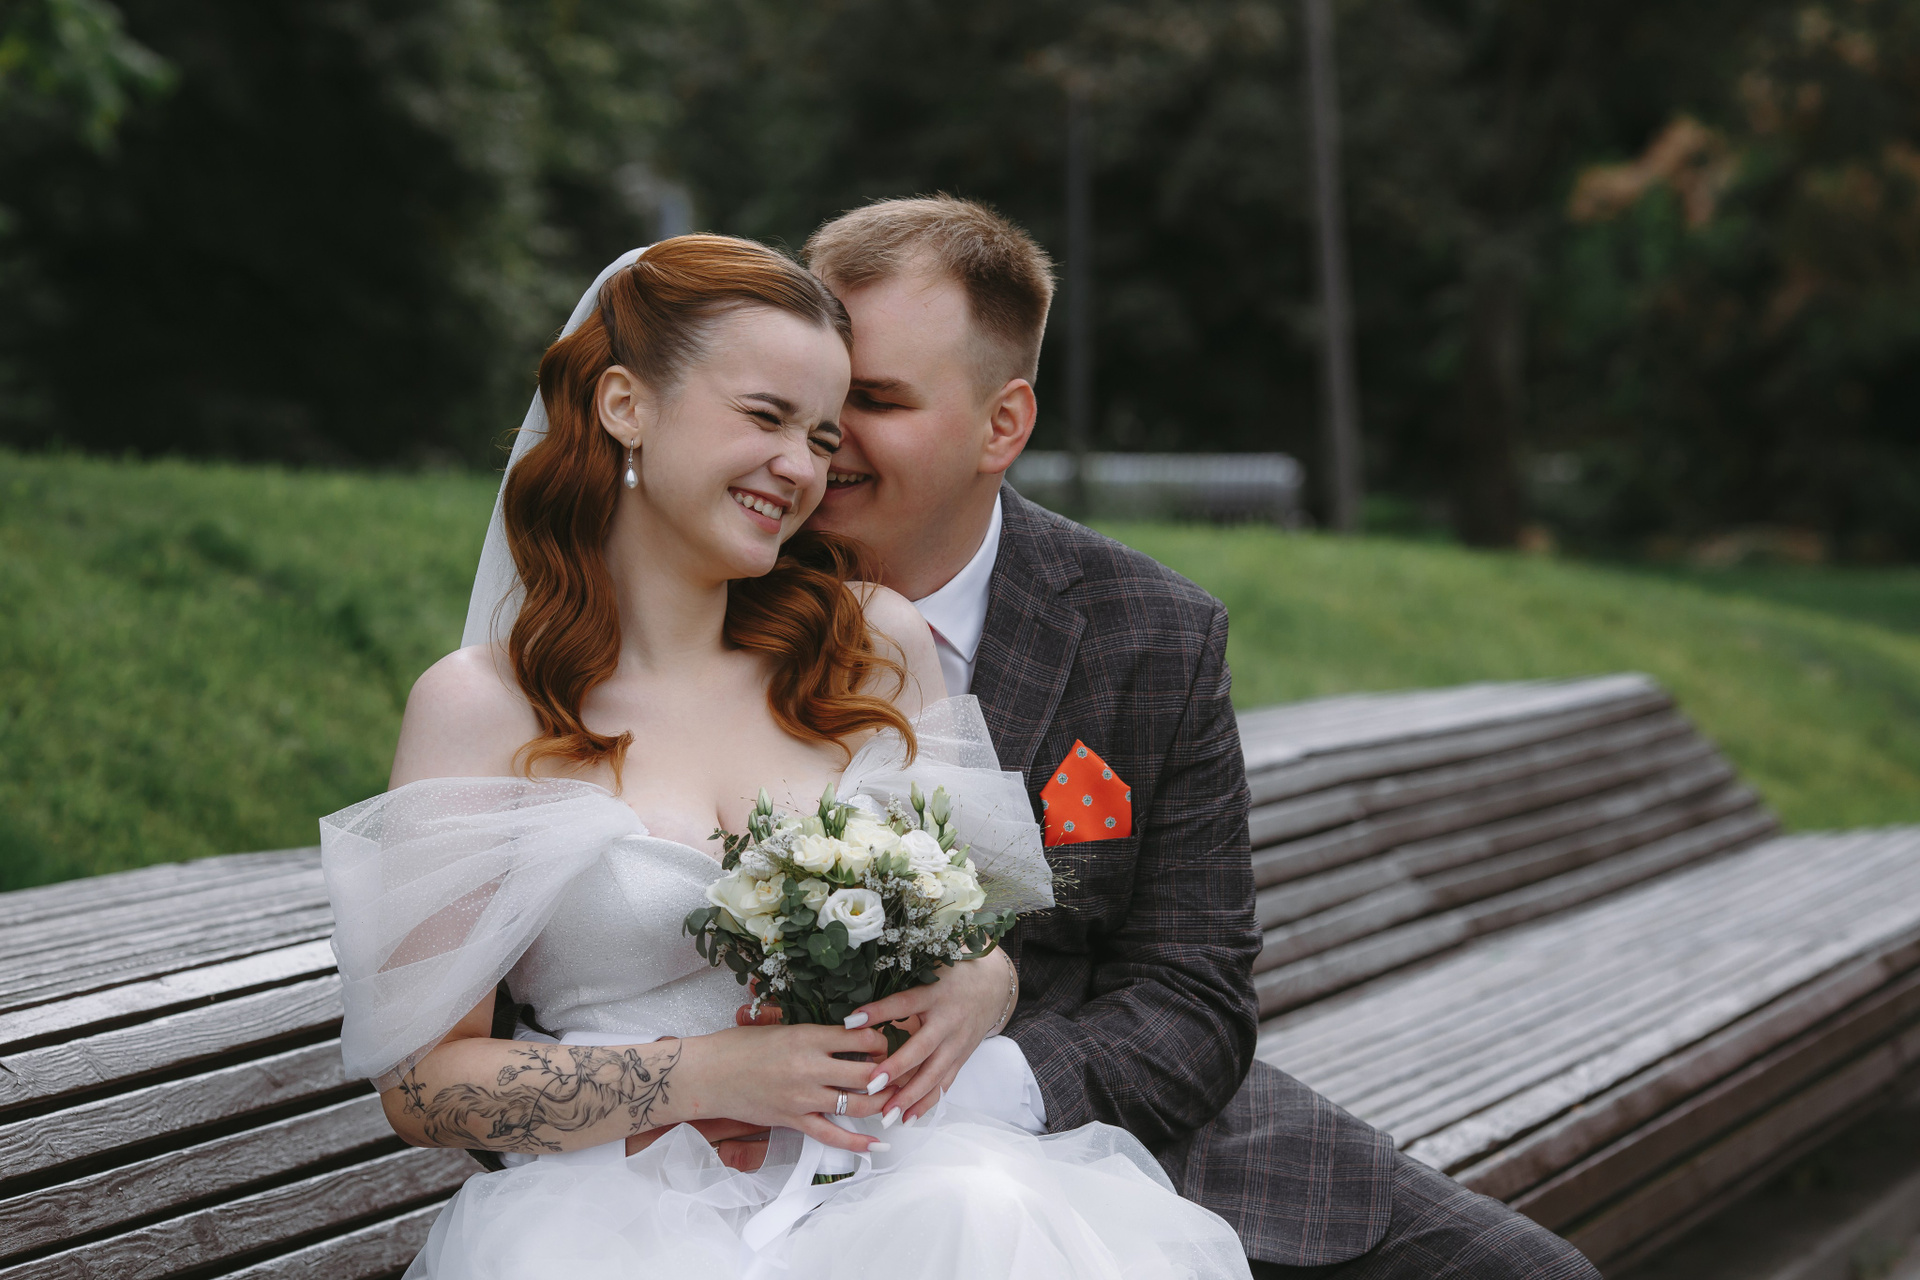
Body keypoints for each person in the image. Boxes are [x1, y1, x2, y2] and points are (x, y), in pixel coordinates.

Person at [321, 233, 1252, 1277]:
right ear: (626, 406)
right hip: (619, 1213)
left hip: (889, 1174)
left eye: (820, 434)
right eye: (765, 418)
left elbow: (982, 930)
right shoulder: (482, 707)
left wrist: (982, 981)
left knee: (978, 1211)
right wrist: (705, 1075)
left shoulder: (871, 646)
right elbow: (425, 1086)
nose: (804, 468)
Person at [783, 195, 1603, 1280]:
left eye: (876, 400)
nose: (823, 437)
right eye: (815, 395)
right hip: (807, 1159)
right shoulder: (714, 600)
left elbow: (1194, 994)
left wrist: (983, 1086)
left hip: (1134, 1132)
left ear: (1003, 425)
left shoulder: (1150, 631)